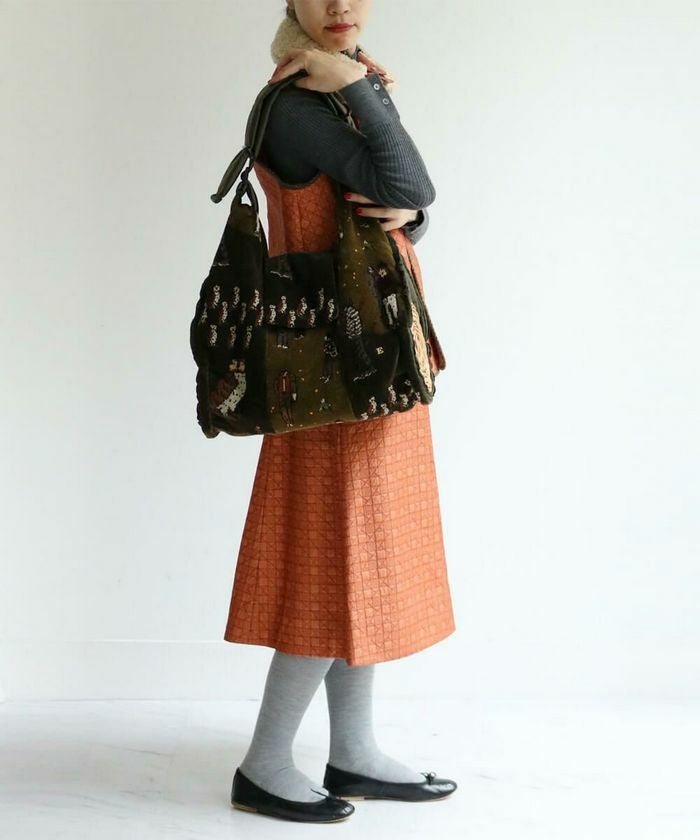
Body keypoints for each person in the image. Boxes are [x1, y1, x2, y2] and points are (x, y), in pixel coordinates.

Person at [226, 0, 457, 823]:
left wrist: (413, 218)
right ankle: (263, 764)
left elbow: (398, 205)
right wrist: (358, 86)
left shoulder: (337, 87)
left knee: (362, 554)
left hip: (371, 357)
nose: (340, 5)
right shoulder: (300, 103)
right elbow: (410, 179)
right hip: (333, 369)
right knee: (330, 562)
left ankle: (352, 751)